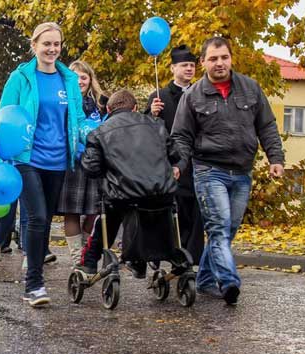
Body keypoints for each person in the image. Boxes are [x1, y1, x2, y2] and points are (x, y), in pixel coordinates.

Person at [172, 36, 284, 305]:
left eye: (223, 57)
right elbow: (181, 137)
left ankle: (206, 280)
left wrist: (275, 158)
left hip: (242, 171)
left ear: (231, 58)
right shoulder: (193, 95)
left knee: (229, 229)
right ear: (203, 63)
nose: (219, 63)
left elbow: (266, 126)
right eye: (213, 58)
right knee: (219, 228)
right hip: (209, 170)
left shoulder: (250, 88)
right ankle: (229, 280)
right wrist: (177, 165)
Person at [0, 22, 84, 306]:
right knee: (35, 216)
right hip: (27, 158)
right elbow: (5, 117)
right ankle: (34, 285)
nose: (52, 49)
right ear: (34, 45)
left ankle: (34, 273)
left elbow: (78, 119)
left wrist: (90, 137)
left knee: (45, 220)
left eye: (56, 44)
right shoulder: (20, 77)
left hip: (58, 160)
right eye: (46, 44)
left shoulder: (69, 79)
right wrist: (3, 159)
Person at [75, 90, 179, 275]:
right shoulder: (157, 125)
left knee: (108, 218)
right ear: (135, 108)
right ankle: (147, 259)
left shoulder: (99, 132)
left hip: (122, 194)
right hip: (160, 191)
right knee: (155, 211)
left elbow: (91, 168)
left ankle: (90, 261)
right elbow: (174, 155)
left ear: (108, 108)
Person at [145, 45, 205, 265]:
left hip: (198, 162)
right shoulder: (158, 97)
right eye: (184, 65)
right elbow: (146, 131)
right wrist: (152, 114)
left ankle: (192, 260)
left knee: (196, 212)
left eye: (192, 65)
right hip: (170, 165)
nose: (189, 69)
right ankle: (170, 253)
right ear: (172, 68)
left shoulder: (202, 93)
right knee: (174, 211)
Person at [53, 60, 106, 266]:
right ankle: (77, 257)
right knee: (72, 211)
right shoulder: (62, 102)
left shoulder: (101, 103)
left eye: (84, 76)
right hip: (71, 163)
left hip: (95, 163)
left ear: (90, 80)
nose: (80, 81)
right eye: (75, 77)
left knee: (94, 211)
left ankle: (86, 249)